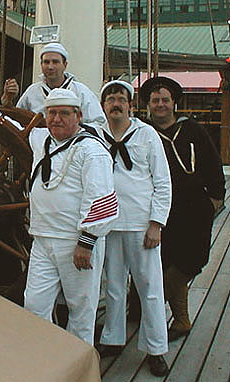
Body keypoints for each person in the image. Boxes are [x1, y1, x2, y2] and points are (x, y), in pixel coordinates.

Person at [24, 88, 118, 345]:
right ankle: (46, 363)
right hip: (42, 240)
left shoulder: (92, 151)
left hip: (76, 242)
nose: (56, 119)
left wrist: (86, 243)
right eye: (51, 113)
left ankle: (79, 369)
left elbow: (102, 200)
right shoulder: (40, 139)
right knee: (34, 305)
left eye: (64, 113)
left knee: (81, 311)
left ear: (78, 116)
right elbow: (12, 125)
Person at [139, 76, 226, 341]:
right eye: (155, 100)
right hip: (159, 210)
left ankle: (149, 307)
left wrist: (215, 198)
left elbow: (212, 164)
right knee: (167, 261)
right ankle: (182, 320)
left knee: (191, 260)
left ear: (174, 103)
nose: (160, 104)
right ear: (148, 105)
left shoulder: (192, 130)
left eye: (165, 100)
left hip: (193, 208)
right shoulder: (143, 133)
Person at [95, 80, 172, 377]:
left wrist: (157, 223)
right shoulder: (95, 136)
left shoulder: (147, 135)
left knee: (150, 289)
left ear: (130, 105)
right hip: (108, 223)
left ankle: (156, 348)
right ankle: (113, 338)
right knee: (113, 286)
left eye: (121, 99)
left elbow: (162, 181)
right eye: (111, 98)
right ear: (103, 106)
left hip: (141, 224)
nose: (116, 103)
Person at [14, 42, 105, 124]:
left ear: (65, 65)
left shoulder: (81, 91)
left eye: (55, 62)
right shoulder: (32, 92)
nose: (50, 66)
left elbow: (98, 122)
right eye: (46, 62)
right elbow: (16, 119)